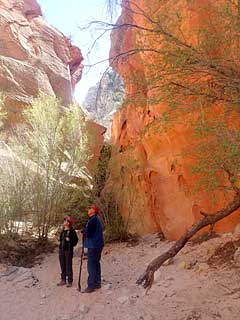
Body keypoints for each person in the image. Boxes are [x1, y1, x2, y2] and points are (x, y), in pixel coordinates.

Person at [81, 205, 104, 293]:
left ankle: (91, 286)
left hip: (93, 245)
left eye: (90, 208)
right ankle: (97, 283)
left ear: (94, 210)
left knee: (91, 265)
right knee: (96, 264)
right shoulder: (95, 219)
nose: (88, 209)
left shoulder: (93, 220)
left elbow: (89, 232)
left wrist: (84, 232)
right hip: (98, 245)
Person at [57, 216, 78, 287]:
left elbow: (75, 241)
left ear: (68, 223)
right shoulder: (63, 230)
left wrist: (70, 241)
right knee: (62, 265)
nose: (64, 222)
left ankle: (70, 281)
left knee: (68, 265)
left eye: (65, 221)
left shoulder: (72, 231)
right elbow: (60, 239)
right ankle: (63, 280)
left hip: (68, 250)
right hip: (62, 250)